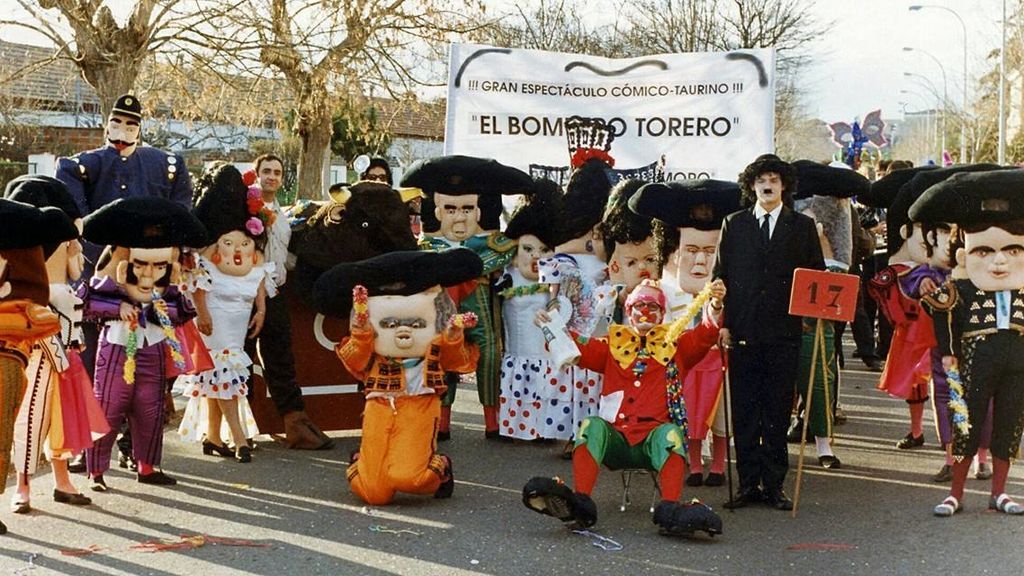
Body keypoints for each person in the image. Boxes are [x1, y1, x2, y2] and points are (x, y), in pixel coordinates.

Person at [522, 279, 727, 537]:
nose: (645, 312)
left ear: (663, 314)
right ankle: (580, 504)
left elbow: (704, 335)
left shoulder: (677, 346)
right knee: (590, 426)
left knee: (672, 434)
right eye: (638, 306)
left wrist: (715, 305)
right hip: (616, 442)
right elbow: (577, 348)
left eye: (652, 306)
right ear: (628, 312)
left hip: (653, 443)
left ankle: (671, 510)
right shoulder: (612, 345)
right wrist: (549, 325)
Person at [55, 94, 193, 473]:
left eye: (132, 124)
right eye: (118, 122)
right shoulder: (81, 166)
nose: (124, 130)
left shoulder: (166, 165)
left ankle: (138, 446)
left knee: (150, 364)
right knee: (94, 363)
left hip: (152, 272)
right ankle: (91, 444)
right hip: (102, 275)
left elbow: (180, 210)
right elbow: (76, 217)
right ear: (107, 123)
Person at [313, 249, 482, 505]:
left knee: (409, 478)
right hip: (379, 404)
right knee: (373, 492)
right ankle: (365, 461)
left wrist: (452, 336)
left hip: (421, 404)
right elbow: (355, 361)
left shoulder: (437, 342)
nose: (403, 331)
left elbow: (457, 363)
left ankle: (441, 467)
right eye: (390, 324)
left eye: (417, 324)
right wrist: (360, 331)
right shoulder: (370, 340)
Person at [714, 154, 825, 511]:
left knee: (777, 412)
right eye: (761, 179)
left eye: (774, 179)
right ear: (751, 185)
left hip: (784, 333)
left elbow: (817, 280)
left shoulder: (802, 227)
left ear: (784, 186)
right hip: (743, 330)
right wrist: (724, 323)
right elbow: (722, 277)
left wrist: (814, 316)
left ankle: (774, 485)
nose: (768, 184)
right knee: (745, 413)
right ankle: (748, 484)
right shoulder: (734, 224)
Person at [912, 169, 1024, 517]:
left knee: (1010, 425)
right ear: (966, 254)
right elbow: (941, 314)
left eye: (1012, 249)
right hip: (973, 360)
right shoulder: (960, 287)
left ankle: (999, 493)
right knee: (965, 424)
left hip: (1017, 359)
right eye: (986, 251)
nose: (999, 260)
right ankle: (956, 493)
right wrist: (947, 353)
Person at [402, 155, 534, 440]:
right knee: (440, 354)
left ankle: (493, 421)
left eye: (466, 208)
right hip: (443, 305)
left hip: (481, 299)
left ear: (479, 211)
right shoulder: (426, 245)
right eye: (450, 209)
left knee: (490, 354)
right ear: (436, 212)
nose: (459, 218)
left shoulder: (494, 245)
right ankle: (442, 420)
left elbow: (504, 253)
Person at [79, 197, 207, 491]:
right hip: (118, 345)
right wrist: (118, 308)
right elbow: (90, 302)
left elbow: (182, 310)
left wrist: (156, 310)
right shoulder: (110, 272)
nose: (150, 273)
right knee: (109, 406)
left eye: (158, 266)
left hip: (154, 346)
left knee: (151, 410)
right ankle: (96, 469)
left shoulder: (169, 279)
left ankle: (148, 466)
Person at [5, 176, 108, 514]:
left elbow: (73, 284)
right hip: (34, 340)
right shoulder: (23, 242)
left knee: (59, 416)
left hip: (63, 344)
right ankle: (23, 485)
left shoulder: (56, 240)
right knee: (28, 413)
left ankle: (58, 481)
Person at [629, 178, 741, 487]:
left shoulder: (730, 285)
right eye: (691, 250)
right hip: (680, 359)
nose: (701, 260)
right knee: (687, 412)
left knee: (721, 415)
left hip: (721, 358)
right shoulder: (662, 288)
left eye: (711, 250)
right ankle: (692, 463)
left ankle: (719, 464)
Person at [178, 164, 274, 462]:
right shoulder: (207, 243)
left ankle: (214, 436)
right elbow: (197, 279)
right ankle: (240, 438)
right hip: (216, 312)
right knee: (224, 368)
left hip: (238, 310)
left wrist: (261, 307)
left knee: (215, 370)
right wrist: (203, 313)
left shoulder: (239, 228)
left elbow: (257, 271)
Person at [0, 197, 79, 534]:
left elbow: (35, 299)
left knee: (6, 425)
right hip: (13, 348)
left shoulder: (21, 232)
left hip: (9, 346)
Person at [244, 154, 333, 450]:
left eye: (277, 172)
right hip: (250, 292)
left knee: (281, 357)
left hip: (276, 290)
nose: (271, 176)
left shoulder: (281, 211)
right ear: (256, 175)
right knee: (242, 359)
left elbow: (284, 255)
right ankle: (239, 428)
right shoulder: (246, 208)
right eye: (266, 171)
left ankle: (293, 422)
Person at [785, 160, 870, 469]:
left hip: (819, 299)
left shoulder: (834, 207)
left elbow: (842, 257)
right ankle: (808, 429)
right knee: (814, 367)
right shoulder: (795, 207)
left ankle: (821, 437)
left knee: (820, 368)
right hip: (793, 298)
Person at [496, 179, 560, 440]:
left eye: (544, 250)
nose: (536, 256)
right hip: (515, 352)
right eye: (528, 249)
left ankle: (543, 430)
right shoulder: (507, 274)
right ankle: (513, 428)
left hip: (544, 354)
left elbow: (561, 304)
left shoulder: (555, 274)